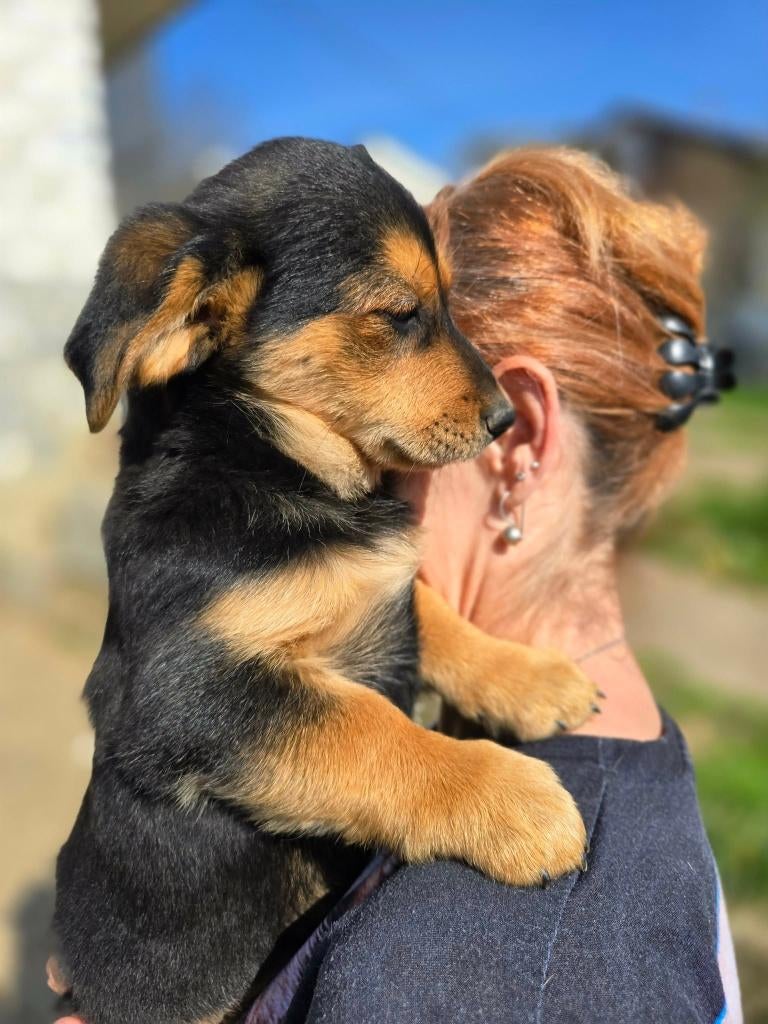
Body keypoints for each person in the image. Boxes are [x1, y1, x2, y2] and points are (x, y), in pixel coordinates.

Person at [50, 147, 741, 1023]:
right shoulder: (191, 532)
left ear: (526, 440)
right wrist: (439, 781)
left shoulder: (499, 974)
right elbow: (214, 702)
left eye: (444, 313)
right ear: (206, 311)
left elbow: (338, 611)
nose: (478, 399)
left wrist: (463, 671)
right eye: (401, 314)